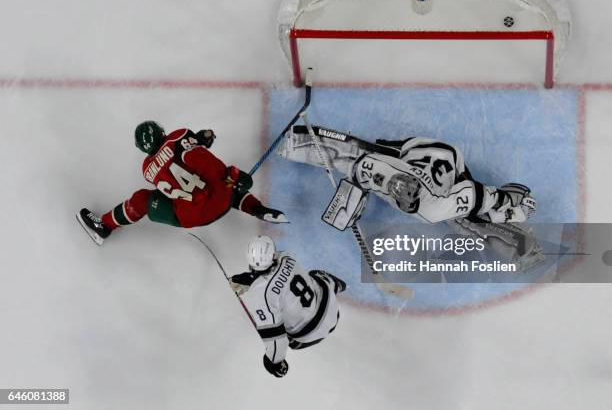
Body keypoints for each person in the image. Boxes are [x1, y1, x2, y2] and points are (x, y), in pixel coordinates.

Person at [77, 121, 287, 245]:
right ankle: (257, 208)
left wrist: (199, 140)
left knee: (142, 200)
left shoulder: (147, 169)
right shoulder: (178, 136)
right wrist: (233, 173)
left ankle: (104, 225)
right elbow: (202, 161)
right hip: (221, 202)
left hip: (189, 216)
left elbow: (176, 161)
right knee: (222, 185)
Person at [279, 125, 536, 225]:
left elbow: (474, 193)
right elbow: (356, 162)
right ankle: (510, 215)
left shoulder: (432, 210)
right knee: (467, 216)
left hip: (443, 157)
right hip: (434, 155)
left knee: (466, 217)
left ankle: (510, 215)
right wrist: (353, 194)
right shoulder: (383, 172)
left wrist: (503, 200)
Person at [230, 235, 345, 378]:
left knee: (286, 334)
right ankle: (335, 285)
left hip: (311, 334)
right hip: (331, 307)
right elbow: (275, 276)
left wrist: (274, 363)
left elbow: (277, 341)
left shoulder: (261, 297)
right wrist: (252, 279)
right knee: (314, 276)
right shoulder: (287, 257)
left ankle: (331, 287)